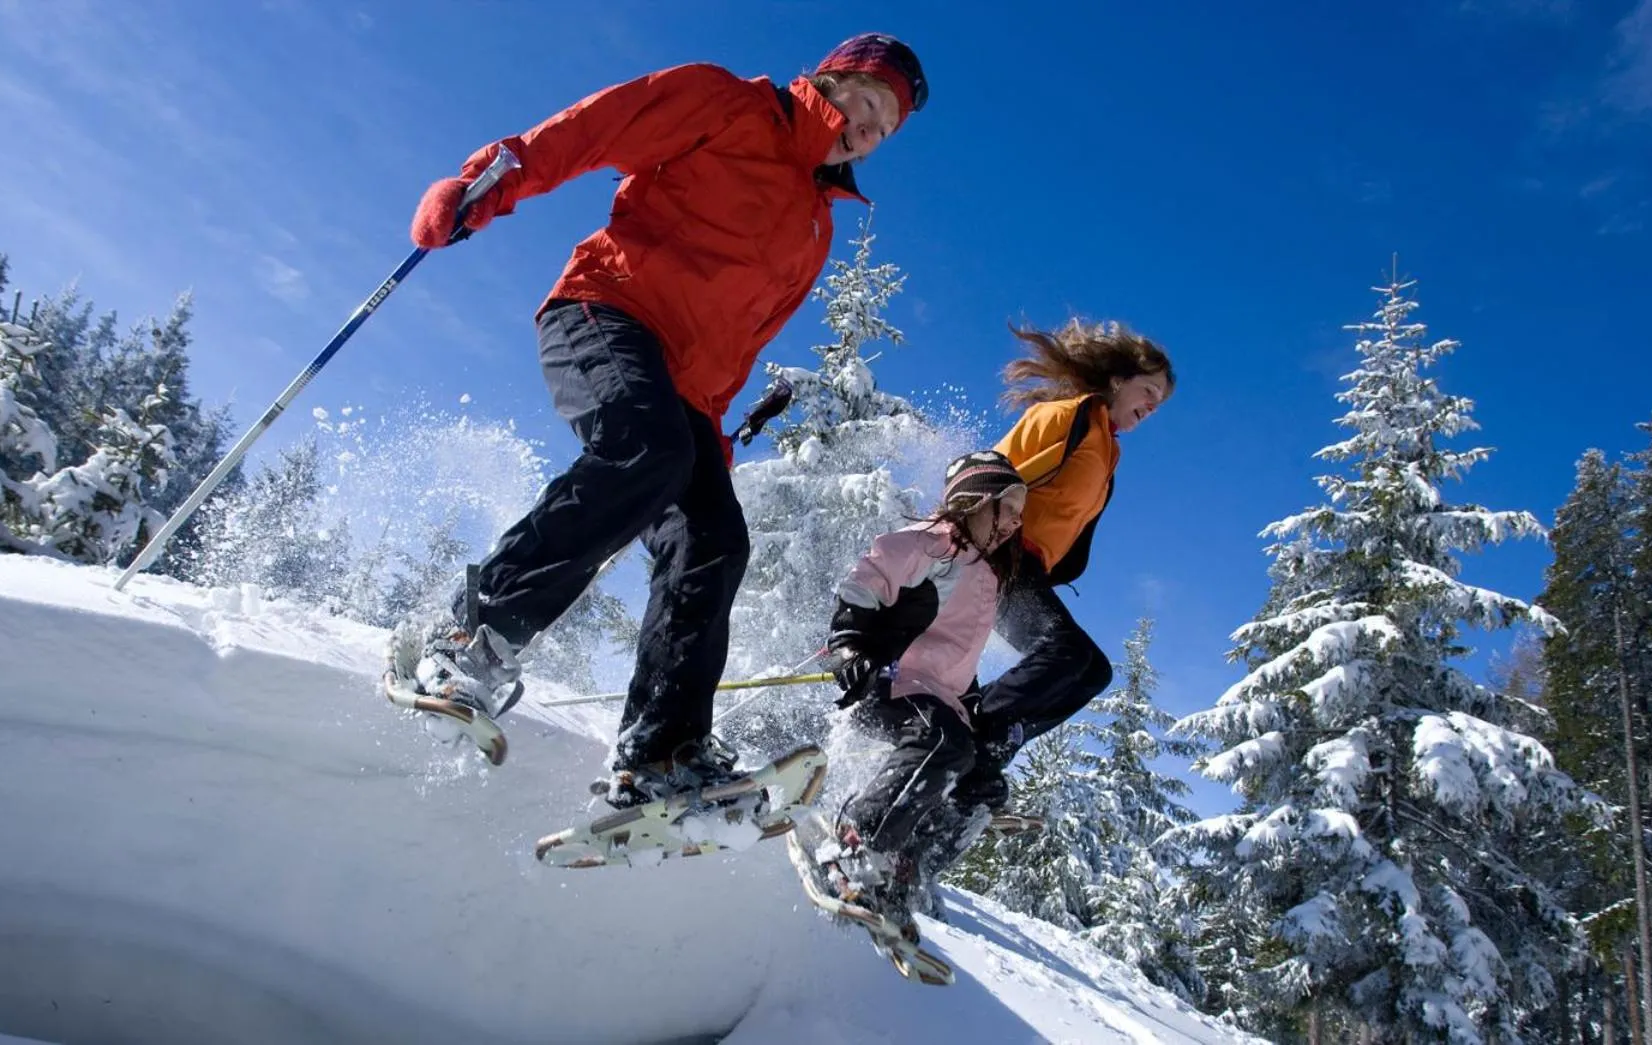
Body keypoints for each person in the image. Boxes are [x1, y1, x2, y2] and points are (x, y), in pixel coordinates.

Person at [387, 34, 930, 808]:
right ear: (829, 81)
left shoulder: (817, 225)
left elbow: (736, 336)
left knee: (713, 539)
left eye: (886, 129)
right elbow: (599, 125)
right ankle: (473, 637)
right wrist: (490, 179)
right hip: (606, 311)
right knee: (644, 450)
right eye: (867, 104)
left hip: (686, 394)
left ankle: (662, 753)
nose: (869, 131)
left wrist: (710, 428)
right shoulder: (731, 105)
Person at [913, 318, 1176, 892]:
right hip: (992, 552)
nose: (1153, 407)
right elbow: (988, 478)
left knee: (1092, 669)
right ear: (1116, 377)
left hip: (1026, 567)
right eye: (1149, 392)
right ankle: (970, 739)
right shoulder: (1065, 418)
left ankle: (979, 760)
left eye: (1161, 403)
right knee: (1061, 652)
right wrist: (944, 546)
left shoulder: (1108, 450)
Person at [811, 451, 1028, 935]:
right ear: (976, 500)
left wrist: (974, 710)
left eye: (1019, 514)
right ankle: (858, 841)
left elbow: (954, 657)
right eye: (1008, 508)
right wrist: (849, 645)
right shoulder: (935, 543)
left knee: (983, 784)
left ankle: (907, 866)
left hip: (933, 698)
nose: (1015, 522)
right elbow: (868, 578)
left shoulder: (985, 576)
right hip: (888, 681)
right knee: (943, 742)